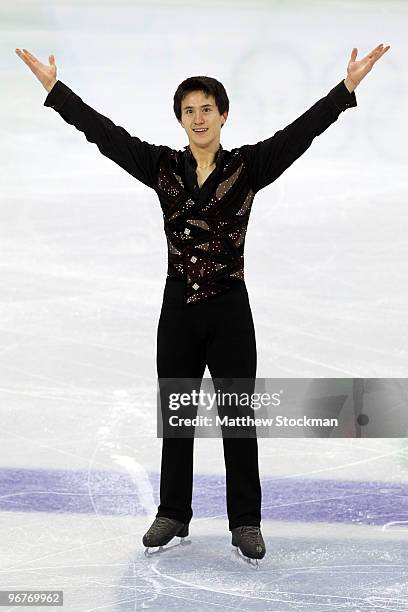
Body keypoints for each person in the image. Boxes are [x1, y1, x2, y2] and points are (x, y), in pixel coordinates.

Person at [15, 43, 390, 562]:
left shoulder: (249, 167)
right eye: (189, 110)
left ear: (223, 115)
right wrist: (56, 92)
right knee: (178, 414)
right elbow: (106, 136)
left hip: (230, 312)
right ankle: (173, 512)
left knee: (238, 419)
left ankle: (246, 522)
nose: (198, 118)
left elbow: (299, 134)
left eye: (206, 109)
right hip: (179, 314)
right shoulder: (161, 167)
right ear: (180, 119)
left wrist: (344, 90)